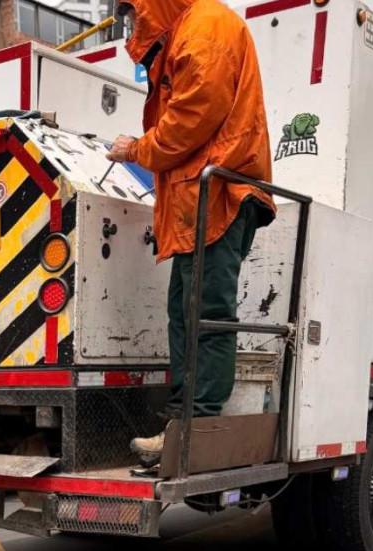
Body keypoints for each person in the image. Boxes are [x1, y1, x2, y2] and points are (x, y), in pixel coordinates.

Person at [105, 0, 277, 464]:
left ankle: (195, 428)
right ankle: (181, 424)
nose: (131, 25)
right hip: (201, 197)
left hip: (218, 194)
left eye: (132, 13)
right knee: (186, 312)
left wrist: (136, 149)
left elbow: (191, 119)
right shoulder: (192, 29)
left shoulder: (203, 30)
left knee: (205, 312)